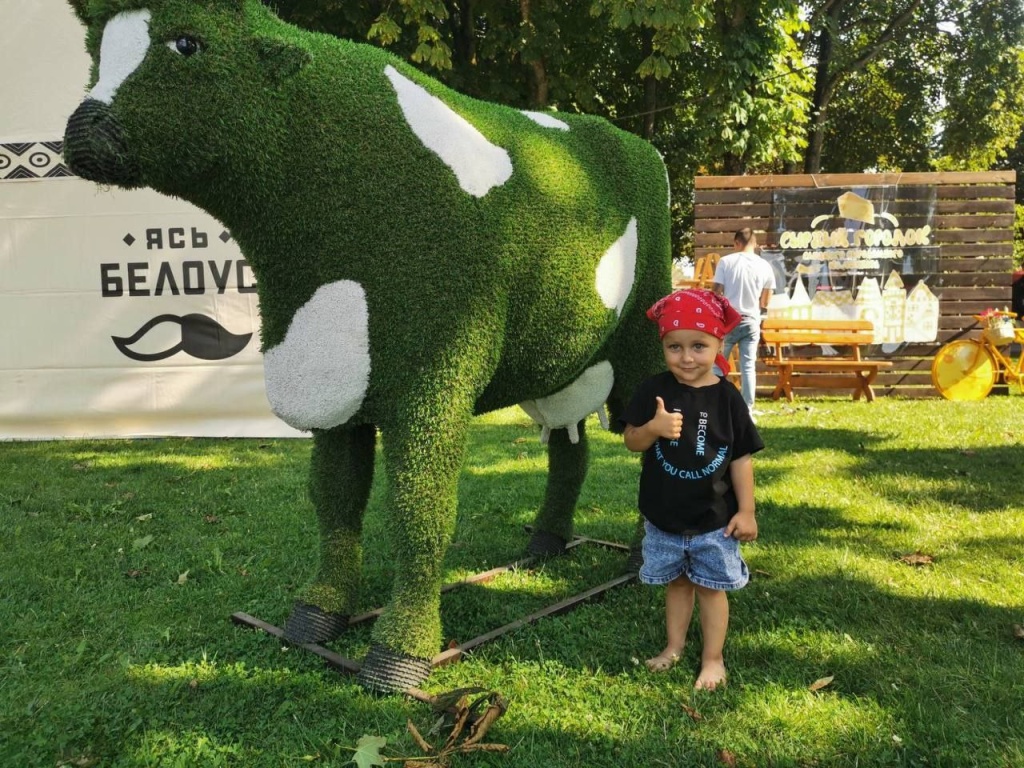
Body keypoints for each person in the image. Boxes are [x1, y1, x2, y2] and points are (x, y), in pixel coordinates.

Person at [622, 288, 763, 691]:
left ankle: (713, 659)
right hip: (665, 517)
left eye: (699, 346)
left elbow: (741, 458)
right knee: (678, 583)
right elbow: (632, 439)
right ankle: (673, 648)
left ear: (720, 343)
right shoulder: (653, 390)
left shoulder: (728, 398)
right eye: (674, 346)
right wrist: (652, 429)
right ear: (663, 346)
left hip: (714, 521)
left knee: (711, 588)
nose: (686, 357)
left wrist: (747, 510)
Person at [712, 228, 776, 420]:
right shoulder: (765, 265)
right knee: (748, 366)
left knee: (717, 365)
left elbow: (716, 293)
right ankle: (747, 411)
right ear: (755, 244)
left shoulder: (726, 261)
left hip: (728, 320)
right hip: (751, 320)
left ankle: (715, 406)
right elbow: (765, 301)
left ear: (736, 243)